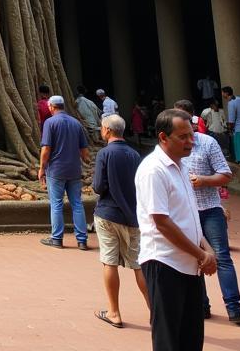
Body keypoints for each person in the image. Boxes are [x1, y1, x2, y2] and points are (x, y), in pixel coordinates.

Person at [135, 108, 217, 351]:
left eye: (191, 135)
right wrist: (201, 254)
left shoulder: (180, 165)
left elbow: (188, 214)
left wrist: (206, 248)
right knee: (169, 338)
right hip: (165, 263)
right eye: (183, 137)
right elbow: (162, 222)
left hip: (190, 265)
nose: (190, 142)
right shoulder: (154, 169)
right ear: (163, 137)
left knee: (191, 336)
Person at [176, 100, 240, 325]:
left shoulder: (207, 143)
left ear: (193, 119)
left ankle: (233, 308)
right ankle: (202, 306)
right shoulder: (170, 147)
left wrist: (204, 180)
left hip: (210, 209)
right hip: (186, 212)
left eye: (186, 122)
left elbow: (226, 174)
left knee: (222, 257)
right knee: (193, 259)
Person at [91, 114, 150, 328]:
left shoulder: (104, 154)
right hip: (133, 217)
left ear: (107, 130)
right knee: (138, 265)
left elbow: (98, 186)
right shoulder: (135, 155)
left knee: (109, 261)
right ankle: (155, 312)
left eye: (101, 128)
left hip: (108, 214)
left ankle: (114, 313)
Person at [39, 94, 90, 250]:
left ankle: (57, 239)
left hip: (56, 170)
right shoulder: (76, 123)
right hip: (74, 169)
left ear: (52, 107)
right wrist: (86, 161)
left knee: (56, 204)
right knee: (77, 204)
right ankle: (82, 240)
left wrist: (42, 168)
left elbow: (46, 148)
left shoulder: (50, 122)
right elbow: (84, 151)